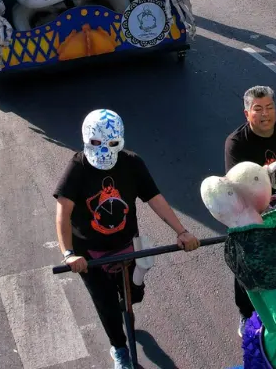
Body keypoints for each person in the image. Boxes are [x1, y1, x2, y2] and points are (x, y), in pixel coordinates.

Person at [54, 110, 199, 369]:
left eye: (110, 144)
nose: (104, 150)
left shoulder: (132, 163)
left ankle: (125, 309)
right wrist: (68, 254)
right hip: (90, 255)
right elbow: (63, 213)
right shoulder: (78, 167)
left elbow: (155, 198)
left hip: (127, 248)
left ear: (119, 142)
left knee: (133, 297)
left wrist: (182, 231)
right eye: (97, 144)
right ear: (87, 140)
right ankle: (119, 348)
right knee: (107, 306)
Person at [223, 86, 276, 330]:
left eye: (269, 108)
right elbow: (235, 185)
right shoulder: (236, 143)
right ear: (246, 113)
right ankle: (245, 312)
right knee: (245, 260)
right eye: (258, 109)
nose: (265, 114)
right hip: (250, 210)